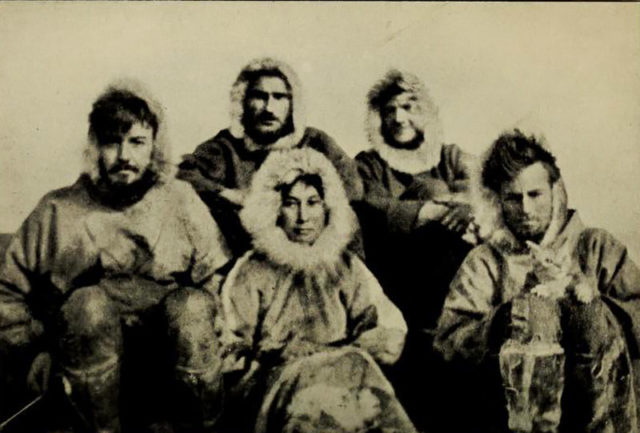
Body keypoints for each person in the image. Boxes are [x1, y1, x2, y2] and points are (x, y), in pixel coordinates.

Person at [0, 83, 231, 433]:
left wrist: (217, 335)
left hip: (169, 371)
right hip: (86, 372)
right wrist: (32, 356)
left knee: (191, 307)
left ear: (154, 146)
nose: (124, 155)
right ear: (94, 146)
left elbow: (219, 280)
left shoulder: (180, 200)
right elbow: (7, 294)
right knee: (88, 304)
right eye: (112, 141)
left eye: (137, 142)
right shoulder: (59, 210)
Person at [435, 129, 640, 433]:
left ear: (555, 191)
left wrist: (586, 301)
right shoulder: (484, 261)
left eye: (535, 195)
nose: (526, 210)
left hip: (605, 414)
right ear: (498, 201)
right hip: (516, 417)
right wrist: (507, 316)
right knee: (532, 310)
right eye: (513, 198)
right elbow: (448, 343)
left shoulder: (597, 246)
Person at [218, 148, 416, 433]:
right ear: (274, 209)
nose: (303, 217)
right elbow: (228, 355)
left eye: (313, 203)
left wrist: (372, 343)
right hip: (276, 393)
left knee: (360, 373)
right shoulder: (251, 271)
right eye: (290, 203)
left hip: (346, 383)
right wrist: (282, 357)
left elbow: (386, 327)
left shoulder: (346, 266)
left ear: (328, 207)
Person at [354, 70, 477, 430]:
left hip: (450, 279)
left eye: (408, 106)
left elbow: (483, 190)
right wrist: (439, 207)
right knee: (430, 189)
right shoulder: (368, 164)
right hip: (397, 280)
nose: (398, 118)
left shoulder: (450, 155)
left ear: (425, 112)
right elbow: (373, 210)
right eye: (389, 109)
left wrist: (467, 206)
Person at [178, 58, 363, 257]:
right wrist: (228, 194)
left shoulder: (315, 141)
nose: (269, 108)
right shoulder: (226, 147)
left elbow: (354, 189)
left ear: (293, 103)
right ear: (243, 101)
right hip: (250, 259)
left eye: (279, 97)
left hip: (314, 256)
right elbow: (182, 174)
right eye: (259, 96)